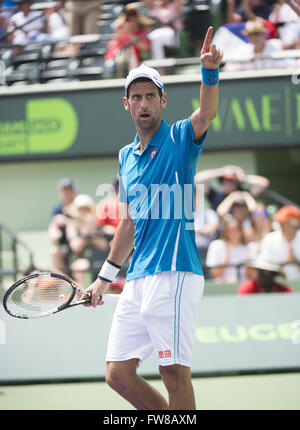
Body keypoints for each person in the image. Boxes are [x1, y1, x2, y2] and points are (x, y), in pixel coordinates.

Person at [82, 27, 223, 410]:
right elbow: (127, 223)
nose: (143, 103)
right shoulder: (125, 157)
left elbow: (207, 112)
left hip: (174, 272)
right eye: (136, 97)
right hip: (138, 279)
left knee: (173, 375)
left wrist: (209, 73)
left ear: (162, 100)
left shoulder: (180, 138)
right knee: (118, 374)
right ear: (126, 104)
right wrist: (103, 279)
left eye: (150, 96)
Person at [66, 194, 109, 288]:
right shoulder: (73, 225)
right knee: (80, 266)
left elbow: (103, 246)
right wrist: (86, 231)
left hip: (99, 258)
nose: (84, 212)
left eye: (86, 209)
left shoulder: (98, 225)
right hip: (82, 258)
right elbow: (76, 247)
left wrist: (93, 232)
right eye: (81, 209)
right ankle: (84, 294)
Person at [104, 3, 154, 78]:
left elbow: (145, 47)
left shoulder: (143, 31)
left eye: (134, 15)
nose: (131, 18)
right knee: (120, 60)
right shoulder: (120, 29)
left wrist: (130, 34)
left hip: (137, 64)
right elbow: (111, 46)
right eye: (129, 16)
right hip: (120, 60)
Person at [195, 164, 269, 211]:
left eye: (231, 181)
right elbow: (197, 179)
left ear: (237, 183)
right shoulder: (216, 196)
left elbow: (264, 183)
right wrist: (221, 172)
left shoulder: (243, 193)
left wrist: (243, 177)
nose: (226, 183)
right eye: (224, 180)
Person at [225, 20, 293, 71]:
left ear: (263, 34)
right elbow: (229, 67)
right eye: (251, 34)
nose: (254, 37)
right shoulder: (243, 50)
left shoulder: (274, 46)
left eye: (257, 33)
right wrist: (237, 68)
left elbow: (286, 66)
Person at [260, 205, 300, 280]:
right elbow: (264, 266)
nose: (281, 225)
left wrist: (294, 262)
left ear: (294, 224)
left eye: (285, 222)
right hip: (277, 286)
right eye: (280, 222)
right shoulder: (269, 239)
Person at [206, 216, 249, 283]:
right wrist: (227, 256)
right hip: (222, 287)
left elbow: (250, 276)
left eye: (238, 230)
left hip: (243, 286)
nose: (234, 233)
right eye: (230, 230)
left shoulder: (248, 248)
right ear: (226, 232)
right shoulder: (216, 245)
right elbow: (215, 274)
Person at [48, 178, 77, 274]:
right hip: (63, 245)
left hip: (79, 244)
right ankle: (64, 280)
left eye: (69, 190)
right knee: (54, 251)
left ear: (74, 191)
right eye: (64, 191)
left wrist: (67, 222)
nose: (67, 193)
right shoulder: (57, 209)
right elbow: (54, 223)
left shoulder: (79, 205)